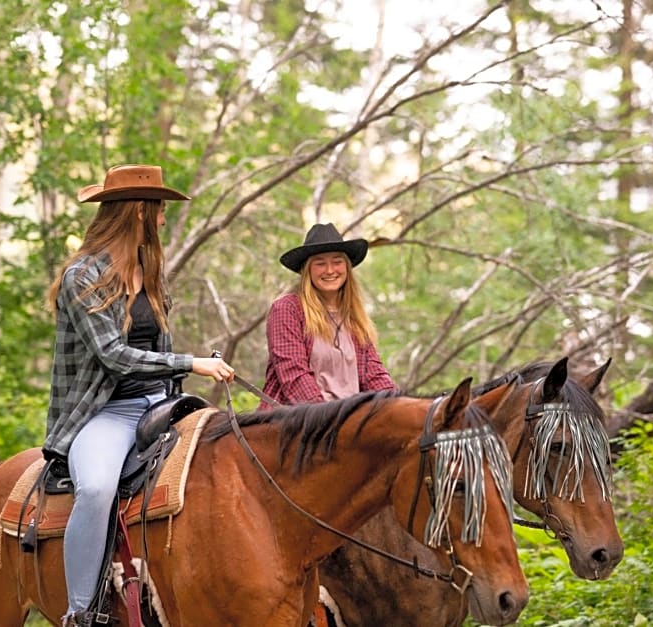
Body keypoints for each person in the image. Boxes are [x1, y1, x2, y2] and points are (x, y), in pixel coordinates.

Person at [42, 164, 234, 627]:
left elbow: (154, 348)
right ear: (140, 214)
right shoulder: (82, 276)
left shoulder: (150, 272)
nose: (164, 219)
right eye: (160, 210)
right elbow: (113, 357)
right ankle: (80, 613)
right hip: (105, 411)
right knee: (98, 488)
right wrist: (191, 363)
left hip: (162, 404)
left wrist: (177, 384)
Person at [261, 222, 395, 409]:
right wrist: (328, 420)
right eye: (320, 263)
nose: (330, 270)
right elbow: (294, 375)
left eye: (337, 262)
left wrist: (398, 405)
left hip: (346, 421)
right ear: (307, 270)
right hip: (297, 422)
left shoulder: (353, 316)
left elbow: (374, 375)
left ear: (347, 268)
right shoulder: (287, 308)